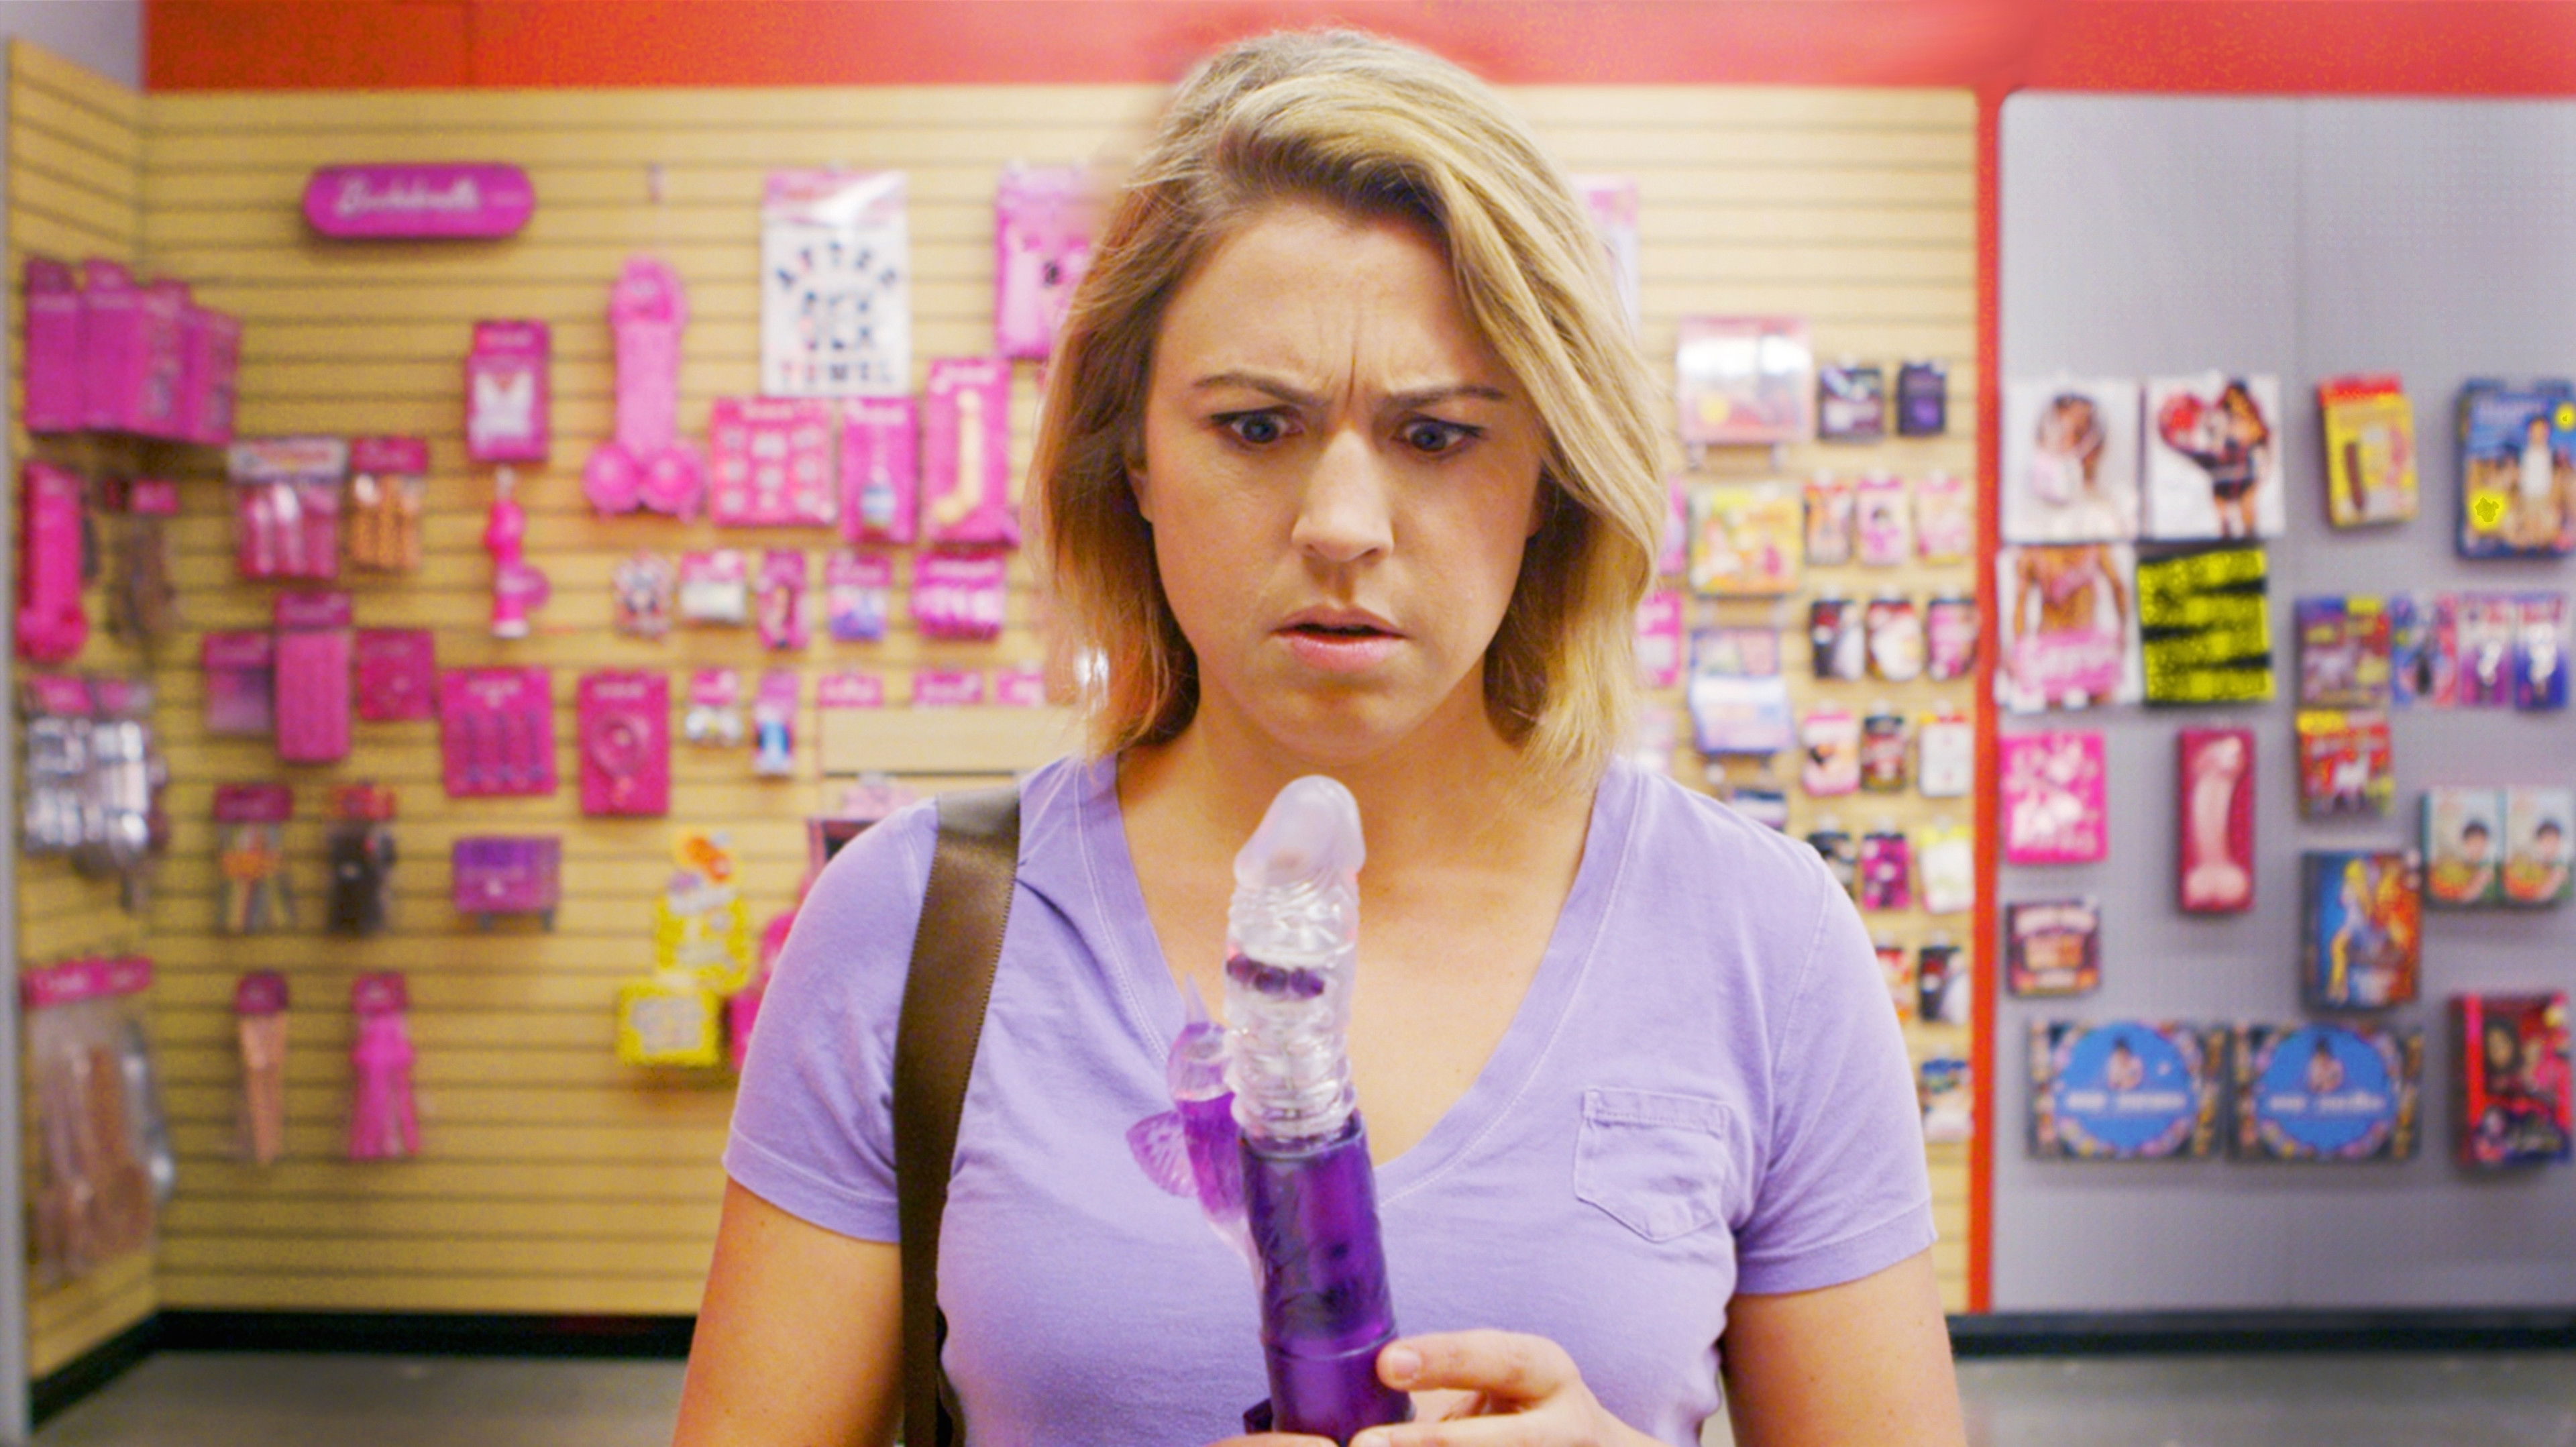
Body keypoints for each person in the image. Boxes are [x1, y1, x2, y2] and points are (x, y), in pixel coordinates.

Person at [674, 30, 1962, 1447]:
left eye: (1438, 436)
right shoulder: (915, 927)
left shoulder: (1763, 938)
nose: (1341, 523)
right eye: (1255, 425)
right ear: (1134, 455)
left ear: (1550, 472)